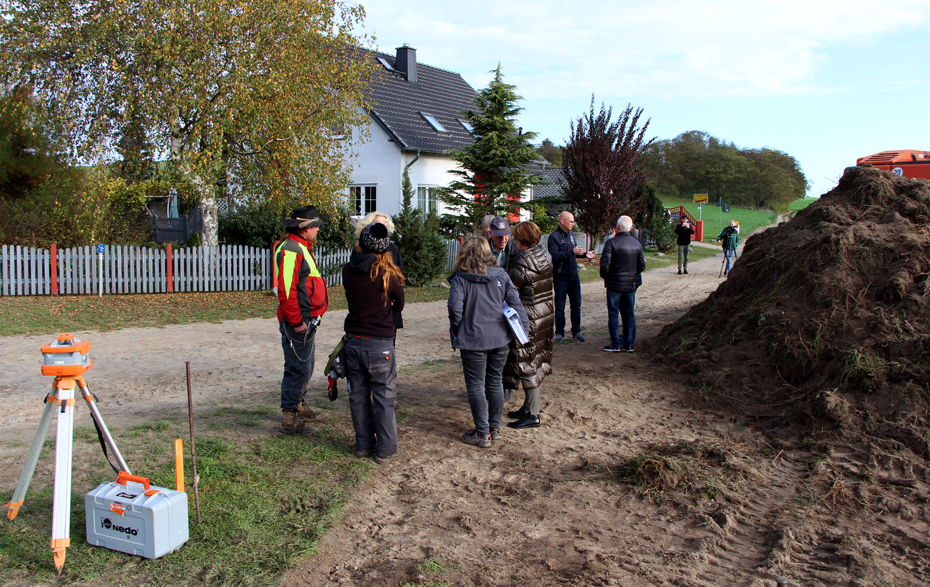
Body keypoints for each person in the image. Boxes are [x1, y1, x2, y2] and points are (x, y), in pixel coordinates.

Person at [448, 236, 529, 448]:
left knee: (476, 384)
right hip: (499, 338)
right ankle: (494, 428)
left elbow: (455, 309)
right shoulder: (501, 275)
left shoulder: (460, 279)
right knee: (495, 381)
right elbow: (516, 304)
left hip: (472, 338)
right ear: (487, 252)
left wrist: (458, 328)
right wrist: (524, 330)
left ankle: (483, 433)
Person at [342, 222, 405, 464]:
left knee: (358, 396)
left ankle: (364, 445)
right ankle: (387, 449)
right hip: (380, 342)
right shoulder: (388, 274)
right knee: (384, 397)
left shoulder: (348, 270)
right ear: (385, 247)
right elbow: (399, 304)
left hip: (354, 340)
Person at [275, 205, 328, 435]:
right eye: (315, 225)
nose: (318, 229)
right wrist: (296, 321)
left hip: (306, 319)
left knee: (305, 366)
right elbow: (287, 290)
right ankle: (289, 417)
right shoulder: (291, 250)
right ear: (305, 228)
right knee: (298, 368)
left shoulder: (299, 247)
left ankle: (297, 404)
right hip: (298, 321)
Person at [503, 221, 553, 430]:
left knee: (526, 363)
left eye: (515, 237)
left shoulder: (521, 264)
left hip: (527, 319)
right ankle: (527, 406)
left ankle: (533, 414)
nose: (513, 240)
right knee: (536, 359)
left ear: (522, 240)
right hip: (544, 314)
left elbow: (508, 290)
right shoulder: (544, 255)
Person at [599, 215, 645, 353]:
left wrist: (606, 277)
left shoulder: (611, 243)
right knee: (629, 313)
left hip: (614, 284)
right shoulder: (637, 244)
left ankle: (615, 343)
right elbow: (641, 265)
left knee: (613, 313)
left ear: (617, 227)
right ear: (631, 228)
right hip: (629, 285)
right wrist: (632, 275)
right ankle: (629, 344)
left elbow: (605, 265)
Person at [547, 211, 595, 342]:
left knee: (576, 305)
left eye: (574, 221)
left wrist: (585, 254)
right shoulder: (554, 237)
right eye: (571, 221)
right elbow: (554, 256)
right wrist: (571, 252)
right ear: (562, 221)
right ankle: (560, 333)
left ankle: (577, 331)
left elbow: (573, 253)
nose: (573, 224)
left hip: (573, 276)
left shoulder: (571, 235)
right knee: (560, 307)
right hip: (560, 277)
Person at [355, 211, 405, 329]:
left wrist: (393, 296)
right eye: (381, 225)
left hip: (387, 302)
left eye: (386, 225)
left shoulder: (392, 249)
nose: (385, 228)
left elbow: (399, 276)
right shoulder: (358, 250)